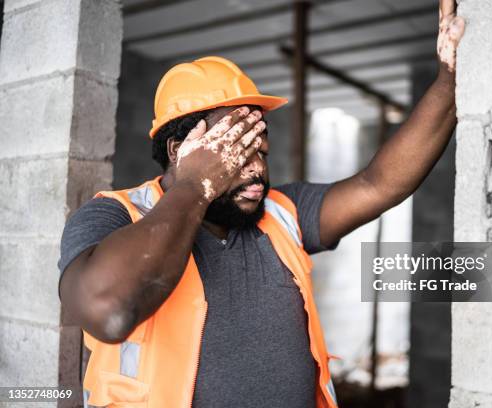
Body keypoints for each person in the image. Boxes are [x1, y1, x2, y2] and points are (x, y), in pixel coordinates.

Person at [58, 1, 465, 407]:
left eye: (261, 152)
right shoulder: (114, 216)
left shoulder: (282, 212)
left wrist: (449, 80)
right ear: (180, 150)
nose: (256, 171)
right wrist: (195, 186)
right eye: (235, 153)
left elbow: (379, 185)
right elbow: (108, 310)